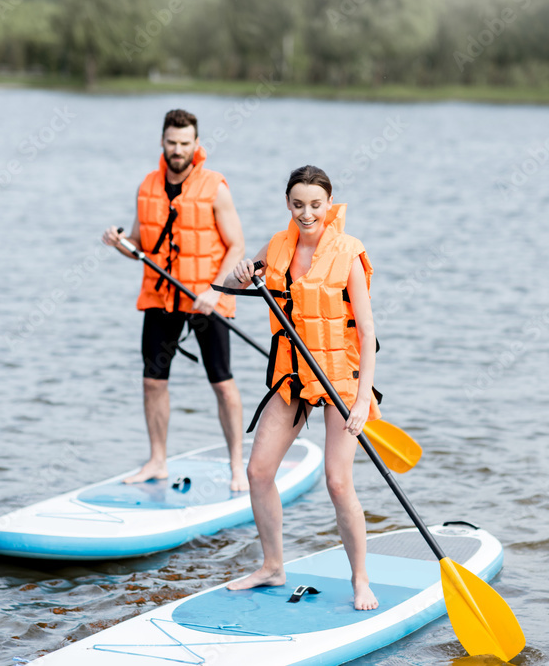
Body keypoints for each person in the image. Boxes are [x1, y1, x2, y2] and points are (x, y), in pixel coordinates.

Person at [222, 165, 381, 611]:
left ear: (328, 204)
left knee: (337, 481)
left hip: (340, 378)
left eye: (315, 204)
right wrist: (240, 271)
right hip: (293, 375)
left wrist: (364, 399)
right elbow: (237, 281)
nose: (306, 213)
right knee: (257, 472)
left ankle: (360, 579)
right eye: (297, 204)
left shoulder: (348, 252)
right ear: (288, 204)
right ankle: (273, 565)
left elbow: (367, 332)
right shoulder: (277, 246)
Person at [102, 109, 248, 492]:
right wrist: (121, 244)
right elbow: (140, 246)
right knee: (152, 382)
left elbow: (237, 246)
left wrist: (213, 290)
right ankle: (157, 461)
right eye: (172, 142)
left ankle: (237, 466)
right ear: (162, 142)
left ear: (196, 144)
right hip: (162, 296)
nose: (178, 149)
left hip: (205, 299)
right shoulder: (147, 186)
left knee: (222, 383)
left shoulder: (215, 187)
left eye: (185, 143)